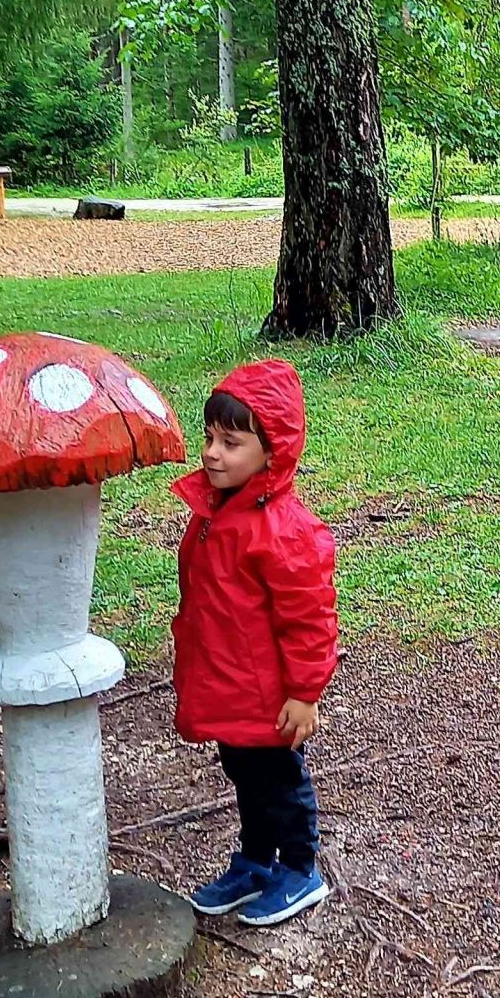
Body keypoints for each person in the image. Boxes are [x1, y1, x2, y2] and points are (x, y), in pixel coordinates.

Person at [170, 360, 336, 926]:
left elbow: (310, 621)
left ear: (274, 451)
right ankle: (257, 862)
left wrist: (304, 693)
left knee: (279, 783)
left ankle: (299, 869)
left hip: (269, 694)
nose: (212, 453)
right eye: (210, 438)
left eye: (231, 442)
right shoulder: (216, 512)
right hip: (229, 683)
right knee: (244, 776)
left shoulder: (284, 531)